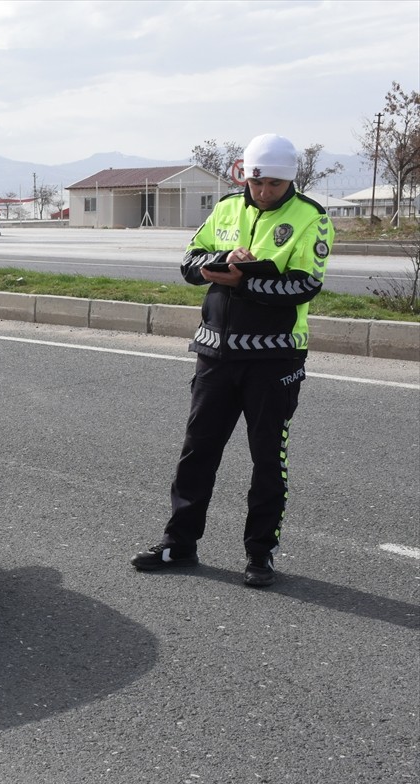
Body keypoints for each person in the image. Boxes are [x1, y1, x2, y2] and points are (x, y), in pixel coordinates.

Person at [131, 133, 334, 587]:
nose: (263, 192)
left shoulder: (311, 218)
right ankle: (179, 543)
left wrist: (242, 281)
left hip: (274, 359)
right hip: (215, 354)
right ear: (246, 176)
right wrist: (224, 259)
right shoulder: (225, 208)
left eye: (274, 185)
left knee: (267, 460)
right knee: (197, 453)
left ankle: (260, 554)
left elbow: (305, 285)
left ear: (290, 180)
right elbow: (190, 263)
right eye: (257, 183)